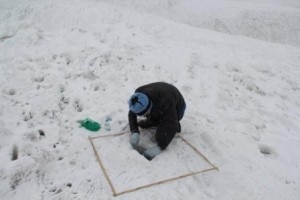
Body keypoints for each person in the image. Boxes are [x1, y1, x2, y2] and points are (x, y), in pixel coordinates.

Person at [128, 82, 186, 160]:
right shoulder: (138, 95)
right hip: (160, 97)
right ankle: (156, 121)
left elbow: (171, 121)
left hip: (178, 108)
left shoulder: (165, 102)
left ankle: (176, 125)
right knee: (153, 117)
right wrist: (134, 131)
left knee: (160, 136)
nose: (144, 116)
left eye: (145, 114)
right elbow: (132, 113)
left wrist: (160, 147)